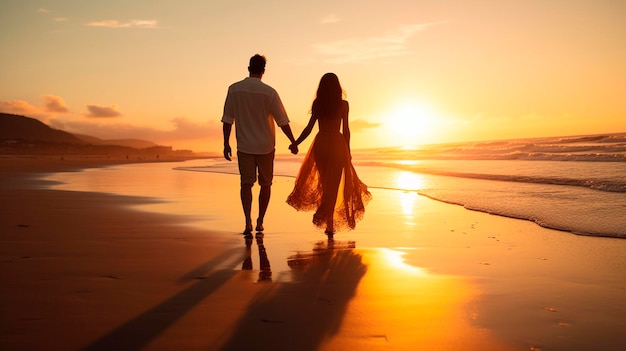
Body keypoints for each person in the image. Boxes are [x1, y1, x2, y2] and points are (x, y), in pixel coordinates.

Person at [286, 73, 371, 237]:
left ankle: (328, 221)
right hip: (338, 145)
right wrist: (349, 150)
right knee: (333, 185)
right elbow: (346, 129)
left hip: (321, 144)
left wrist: (296, 142)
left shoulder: (318, 104)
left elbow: (309, 128)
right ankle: (329, 224)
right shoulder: (344, 105)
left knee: (326, 185)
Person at [222, 54, 297, 236]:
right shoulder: (269, 92)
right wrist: (293, 141)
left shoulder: (234, 89)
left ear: (248, 68)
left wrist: (226, 143)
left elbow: (227, 120)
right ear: (263, 71)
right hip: (266, 147)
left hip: (244, 146)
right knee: (266, 185)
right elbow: (282, 121)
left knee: (246, 184)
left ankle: (247, 221)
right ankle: (260, 221)